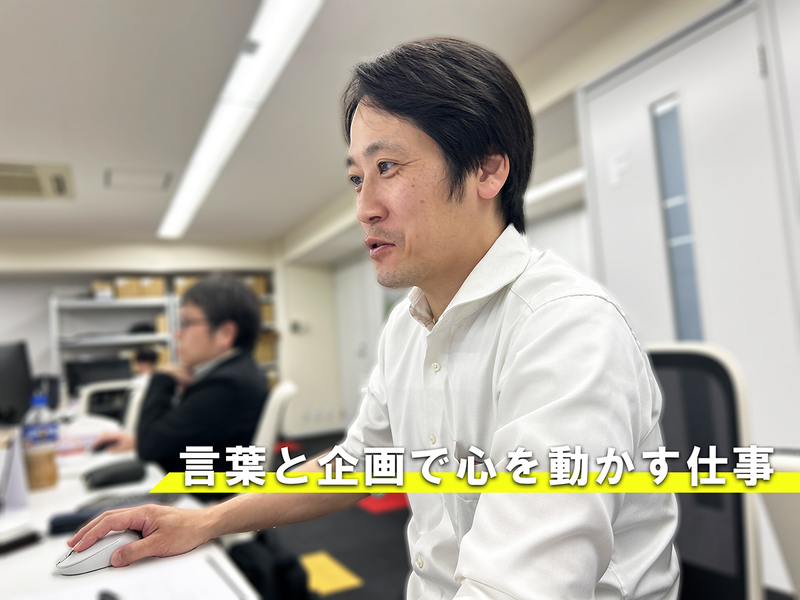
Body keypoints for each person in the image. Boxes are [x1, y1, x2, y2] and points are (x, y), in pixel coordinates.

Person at [70, 39, 679, 599]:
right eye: (357, 178)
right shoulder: (408, 328)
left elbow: (522, 588)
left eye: (387, 167)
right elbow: (356, 465)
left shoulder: (566, 330)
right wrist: (205, 520)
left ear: (488, 171)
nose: (363, 207)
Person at [92, 276, 268, 475]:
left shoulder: (226, 386)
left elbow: (149, 449)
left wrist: (162, 379)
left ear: (225, 333)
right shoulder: (237, 372)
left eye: (186, 323)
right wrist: (138, 441)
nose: (177, 334)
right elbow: (179, 437)